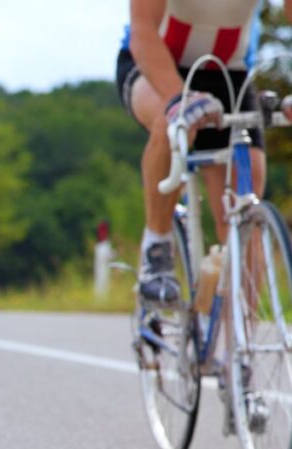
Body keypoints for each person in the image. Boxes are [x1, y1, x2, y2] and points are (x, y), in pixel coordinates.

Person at [117, 0, 292, 306]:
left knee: (243, 208)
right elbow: (143, 31)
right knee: (169, 118)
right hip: (157, 62)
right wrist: (178, 99)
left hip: (228, 72)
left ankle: (239, 341)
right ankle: (157, 248)